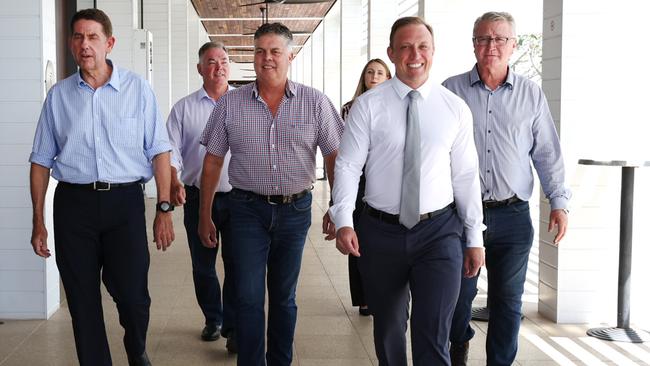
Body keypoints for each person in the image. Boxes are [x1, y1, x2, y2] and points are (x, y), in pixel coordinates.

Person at [329, 17, 485, 366]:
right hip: (380, 232)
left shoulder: (454, 108)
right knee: (388, 329)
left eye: (422, 46)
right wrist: (343, 220)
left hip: (439, 232)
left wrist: (475, 237)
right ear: (391, 53)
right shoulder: (368, 106)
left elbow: (466, 175)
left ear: (433, 52)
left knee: (433, 334)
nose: (415, 54)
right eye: (405, 47)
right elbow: (348, 166)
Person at [29, 8, 174, 366]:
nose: (85, 45)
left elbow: (159, 150)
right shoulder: (59, 97)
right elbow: (40, 161)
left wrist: (164, 207)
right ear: (70, 44)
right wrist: (38, 220)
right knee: (81, 299)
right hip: (73, 206)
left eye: (93, 37)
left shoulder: (137, 89)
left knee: (134, 297)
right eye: (78, 37)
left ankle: (136, 345)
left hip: (124, 203)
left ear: (109, 43)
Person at [198, 22, 344, 366]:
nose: (267, 58)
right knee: (248, 297)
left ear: (289, 56)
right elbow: (212, 162)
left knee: (283, 298)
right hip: (245, 210)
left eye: (275, 51)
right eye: (260, 51)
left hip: (295, 211)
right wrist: (204, 215)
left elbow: (335, 157)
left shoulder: (316, 102)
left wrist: (338, 207)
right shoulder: (231, 104)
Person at [443, 11, 571, 366]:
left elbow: (546, 152)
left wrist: (559, 202)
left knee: (508, 302)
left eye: (500, 39)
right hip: (460, 217)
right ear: (473, 45)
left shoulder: (530, 94)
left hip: (513, 216)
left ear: (513, 45)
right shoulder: (450, 91)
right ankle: (459, 344)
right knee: (456, 299)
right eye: (483, 38)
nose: (491, 46)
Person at [166, 41, 237, 352]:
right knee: (203, 265)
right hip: (196, 197)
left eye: (223, 60)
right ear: (200, 68)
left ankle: (234, 327)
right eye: (210, 61)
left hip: (240, 199)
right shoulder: (184, 108)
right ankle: (214, 318)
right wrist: (174, 180)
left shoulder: (245, 102)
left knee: (238, 264)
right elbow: (171, 151)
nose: (218, 66)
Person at [340, 59, 392, 316]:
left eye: (380, 73)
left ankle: (384, 291)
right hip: (359, 180)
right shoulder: (350, 108)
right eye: (370, 72)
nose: (374, 76)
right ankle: (362, 296)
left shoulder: (396, 107)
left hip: (384, 179)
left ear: (388, 77)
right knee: (357, 236)